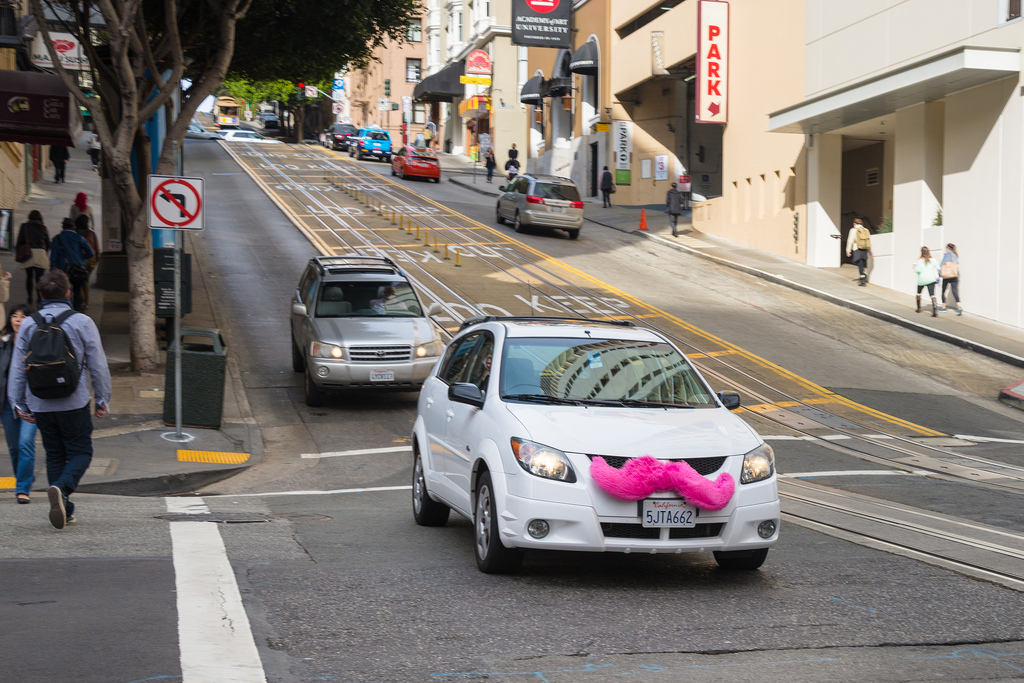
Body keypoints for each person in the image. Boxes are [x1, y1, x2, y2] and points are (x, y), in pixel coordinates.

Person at [8, 270, 110, 529]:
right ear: (68, 293)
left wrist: (17, 402)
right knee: (81, 452)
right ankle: (61, 488)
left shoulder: (29, 323)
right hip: (73, 401)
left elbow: (19, 367)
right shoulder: (82, 322)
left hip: (39, 402)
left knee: (54, 454)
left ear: (40, 294)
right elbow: (97, 364)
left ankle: (66, 507)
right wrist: (102, 397)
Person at [1, 304, 36, 504]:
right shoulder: (3, 343)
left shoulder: (36, 343)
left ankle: (22, 488)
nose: (17, 320)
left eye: (22, 316)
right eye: (14, 316)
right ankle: (25, 478)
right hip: (7, 403)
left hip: (32, 402)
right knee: (14, 447)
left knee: (25, 443)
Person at [49, 218, 94, 313]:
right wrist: (81, 258)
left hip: (62, 271)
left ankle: (65, 311)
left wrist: (52, 272)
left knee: (64, 291)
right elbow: (90, 253)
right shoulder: (78, 237)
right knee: (77, 291)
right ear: (73, 227)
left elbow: (53, 257)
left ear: (62, 226)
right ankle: (76, 311)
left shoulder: (56, 239)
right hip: (77, 269)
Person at [14, 210, 51, 306]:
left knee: (29, 277)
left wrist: (18, 253)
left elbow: (19, 241)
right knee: (39, 279)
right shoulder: (43, 227)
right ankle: (39, 298)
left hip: (28, 254)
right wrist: (44, 252)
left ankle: (30, 298)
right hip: (41, 254)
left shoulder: (24, 226)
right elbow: (48, 243)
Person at [74, 214, 100, 311]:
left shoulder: (76, 234)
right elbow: (97, 249)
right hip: (91, 261)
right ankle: (86, 302)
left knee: (80, 281)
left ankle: (83, 301)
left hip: (80, 261)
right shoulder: (92, 234)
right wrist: (95, 262)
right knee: (85, 281)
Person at [914, 246, 940, 317]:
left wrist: (914, 267)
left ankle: (918, 308)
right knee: (932, 295)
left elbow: (917, 270)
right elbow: (938, 267)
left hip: (922, 280)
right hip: (931, 279)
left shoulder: (919, 260)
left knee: (918, 293)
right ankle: (935, 309)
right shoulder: (933, 259)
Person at [845, 217, 872, 286]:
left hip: (857, 248)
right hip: (864, 249)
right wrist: (870, 250)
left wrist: (848, 251)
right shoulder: (866, 230)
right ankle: (862, 275)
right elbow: (869, 241)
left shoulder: (853, 230)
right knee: (861, 263)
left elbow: (850, 241)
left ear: (854, 223)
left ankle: (862, 276)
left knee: (857, 262)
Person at [938, 243, 963, 316]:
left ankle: (943, 307)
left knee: (943, 291)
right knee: (955, 291)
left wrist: (939, 274)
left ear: (948, 248)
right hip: (954, 276)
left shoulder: (946, 254)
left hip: (947, 276)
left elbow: (941, 265)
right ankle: (959, 307)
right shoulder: (955, 255)